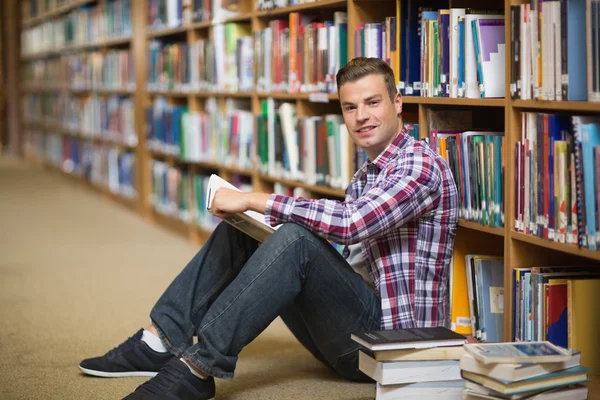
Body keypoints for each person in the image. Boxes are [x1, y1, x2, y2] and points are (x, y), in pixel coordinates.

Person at [79, 57, 459, 400]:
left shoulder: (419, 166)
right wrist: (256, 221)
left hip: (392, 346)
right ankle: (158, 338)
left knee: (293, 238)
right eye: (350, 107)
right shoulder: (368, 174)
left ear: (398, 104)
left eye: (373, 102)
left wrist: (254, 199)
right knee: (248, 229)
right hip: (353, 332)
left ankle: (197, 368)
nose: (361, 116)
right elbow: (345, 253)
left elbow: (352, 223)